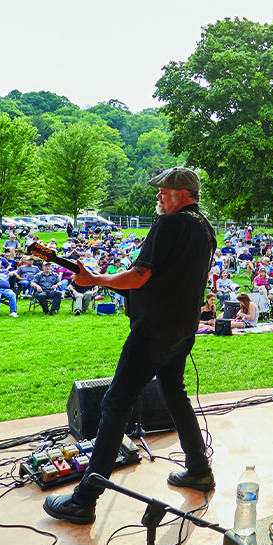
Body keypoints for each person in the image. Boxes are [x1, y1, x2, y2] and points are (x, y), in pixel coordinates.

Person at [43, 167, 216, 525]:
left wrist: (96, 279)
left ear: (183, 194)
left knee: (116, 401)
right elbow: (163, 279)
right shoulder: (205, 229)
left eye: (163, 192)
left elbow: (140, 275)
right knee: (175, 394)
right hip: (183, 328)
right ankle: (199, 468)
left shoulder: (169, 225)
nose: (158, 197)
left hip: (154, 330)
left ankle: (85, 498)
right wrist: (105, 280)